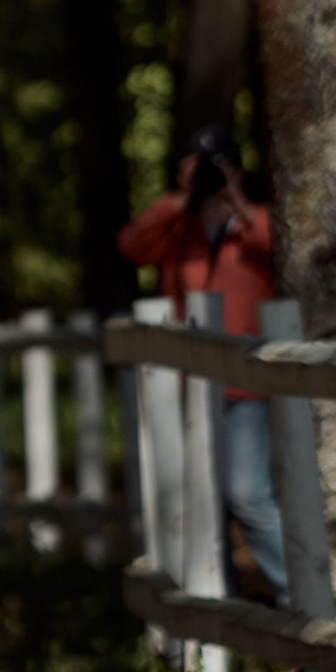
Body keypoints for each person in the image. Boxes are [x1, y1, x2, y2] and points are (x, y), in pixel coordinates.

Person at [120, 124, 285, 600]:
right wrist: (178, 197)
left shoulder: (259, 225)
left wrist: (237, 204)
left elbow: (282, 252)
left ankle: (304, 601)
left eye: (219, 166)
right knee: (203, 501)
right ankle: (220, 602)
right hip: (188, 388)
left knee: (249, 494)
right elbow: (132, 246)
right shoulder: (177, 231)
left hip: (247, 388)